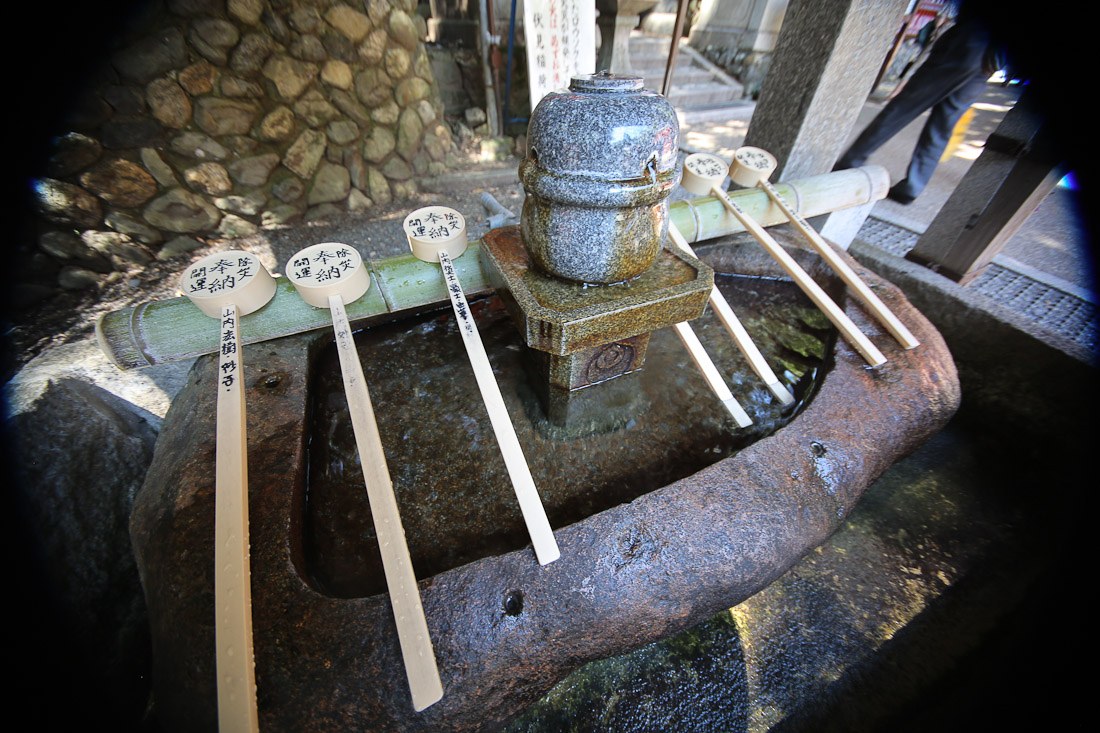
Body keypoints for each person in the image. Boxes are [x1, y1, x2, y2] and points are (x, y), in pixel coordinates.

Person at [834, 7, 1007, 204]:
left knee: (902, 108)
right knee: (942, 126)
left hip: (970, 41)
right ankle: (912, 187)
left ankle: (849, 163)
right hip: (988, 63)